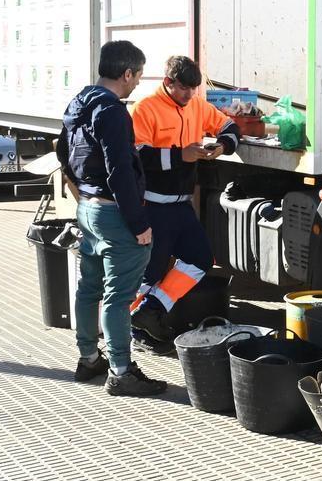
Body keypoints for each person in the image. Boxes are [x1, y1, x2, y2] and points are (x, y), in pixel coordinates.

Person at [57, 40, 167, 397]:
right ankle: (121, 372)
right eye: (137, 76)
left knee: (89, 288)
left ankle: (89, 358)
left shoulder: (79, 102)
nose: (137, 83)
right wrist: (139, 225)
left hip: (87, 209)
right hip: (113, 211)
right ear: (127, 73)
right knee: (118, 297)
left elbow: (63, 151)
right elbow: (119, 170)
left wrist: (81, 191)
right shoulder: (114, 112)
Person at [127, 56, 240, 351]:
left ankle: (149, 312)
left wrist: (222, 146)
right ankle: (127, 330)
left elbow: (229, 126)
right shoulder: (145, 108)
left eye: (194, 89)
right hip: (152, 206)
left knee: (200, 259)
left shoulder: (197, 105)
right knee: (148, 273)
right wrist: (181, 156)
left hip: (180, 206)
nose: (190, 95)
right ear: (168, 83)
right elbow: (137, 157)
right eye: (184, 89)